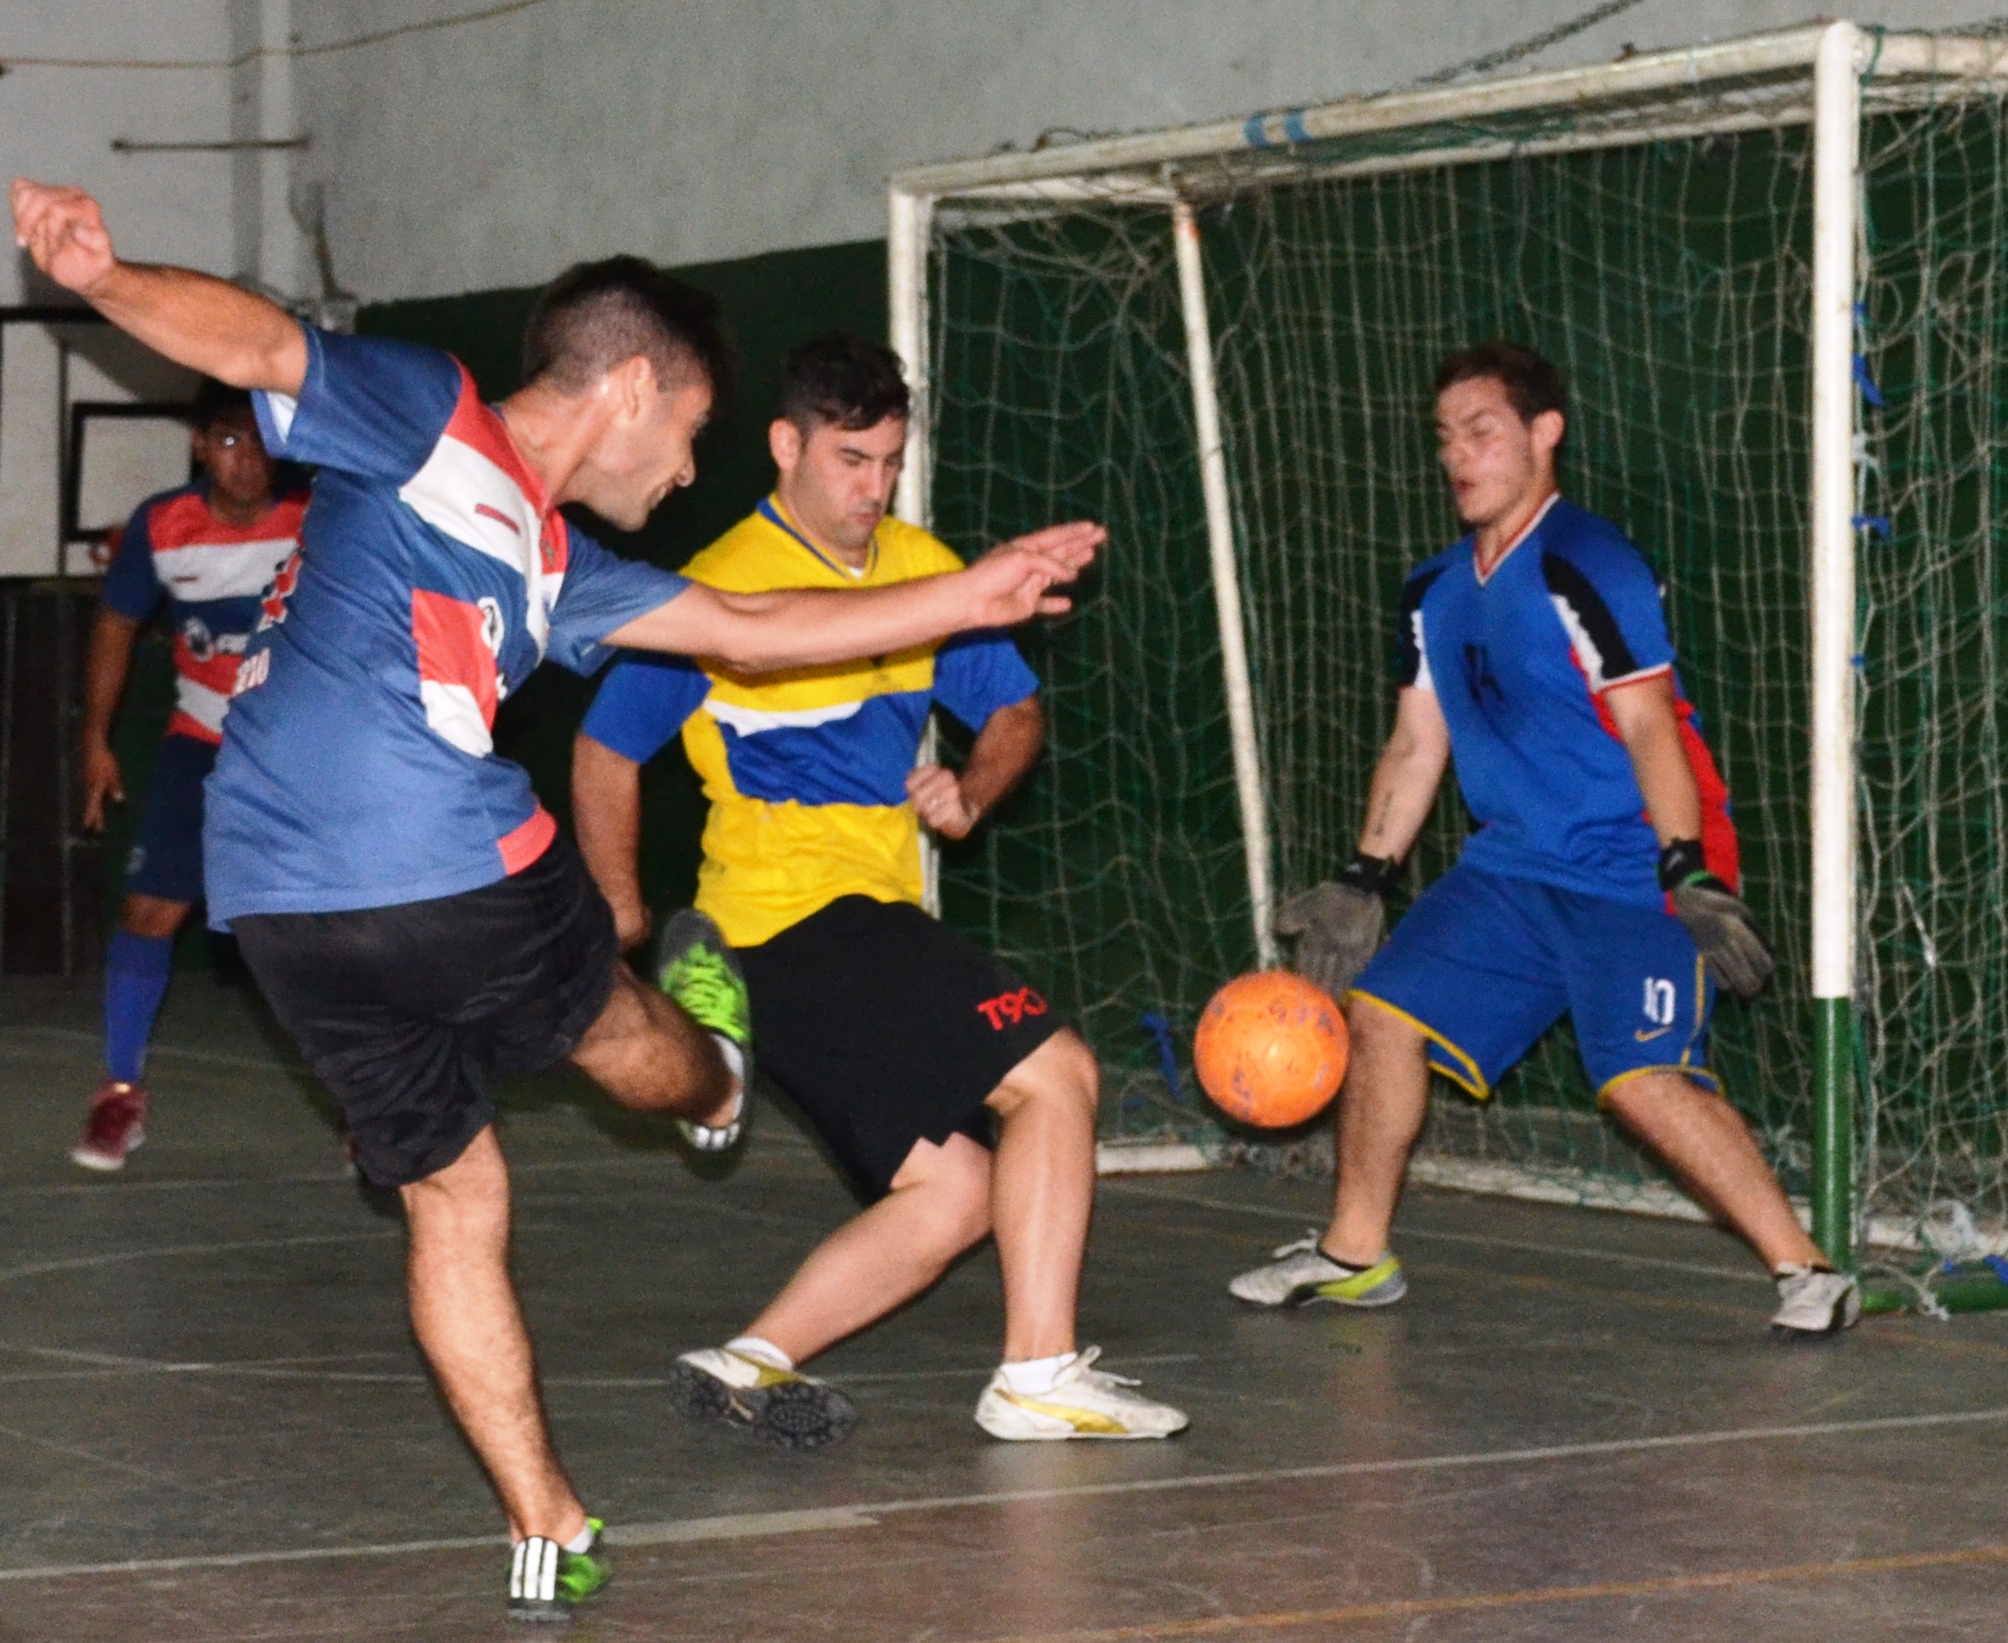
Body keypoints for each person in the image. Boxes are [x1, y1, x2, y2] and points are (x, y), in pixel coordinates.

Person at [14, 178, 1097, 1623]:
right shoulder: (431, 413)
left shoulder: (562, 562)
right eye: (694, 429)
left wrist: (966, 596)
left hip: (275, 903)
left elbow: (749, 626)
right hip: (441, 852)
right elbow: (263, 343)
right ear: (632, 384)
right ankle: (716, 1079)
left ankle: (546, 1522)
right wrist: (103, 279)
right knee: (615, 1028)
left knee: (453, 1193)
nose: (691, 466)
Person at [573, 332, 1187, 1449]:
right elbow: (605, 748)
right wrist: (619, 904)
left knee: (956, 1191)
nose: (874, 486)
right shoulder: (718, 588)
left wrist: (973, 787)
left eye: (891, 461)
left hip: (854, 927)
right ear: (784, 445)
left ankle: (749, 1358)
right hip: (791, 919)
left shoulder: (923, 567)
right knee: (1056, 1073)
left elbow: (1013, 709)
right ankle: (1037, 1375)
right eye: (850, 459)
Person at [1232, 341, 1860, 1341]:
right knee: (1383, 1015)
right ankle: (1355, 1253)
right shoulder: (1433, 590)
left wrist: (1687, 868)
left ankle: (1808, 1267)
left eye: (1481, 431)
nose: (1457, 455)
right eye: (1445, 437)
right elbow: (1416, 741)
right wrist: (1364, 874)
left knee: (1640, 1081)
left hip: (1635, 865)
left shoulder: (1586, 561)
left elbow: (1649, 724)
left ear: (1543, 433)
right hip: (1510, 866)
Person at [72, 382, 306, 1170]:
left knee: (333, 928)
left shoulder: (316, 520)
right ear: (202, 445)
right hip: (200, 746)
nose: (249, 461)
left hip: (301, 755)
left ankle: (371, 1108)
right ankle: (118, 1093)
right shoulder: (163, 524)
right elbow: (116, 625)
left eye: (262, 441)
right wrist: (96, 739)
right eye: (231, 440)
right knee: (147, 912)